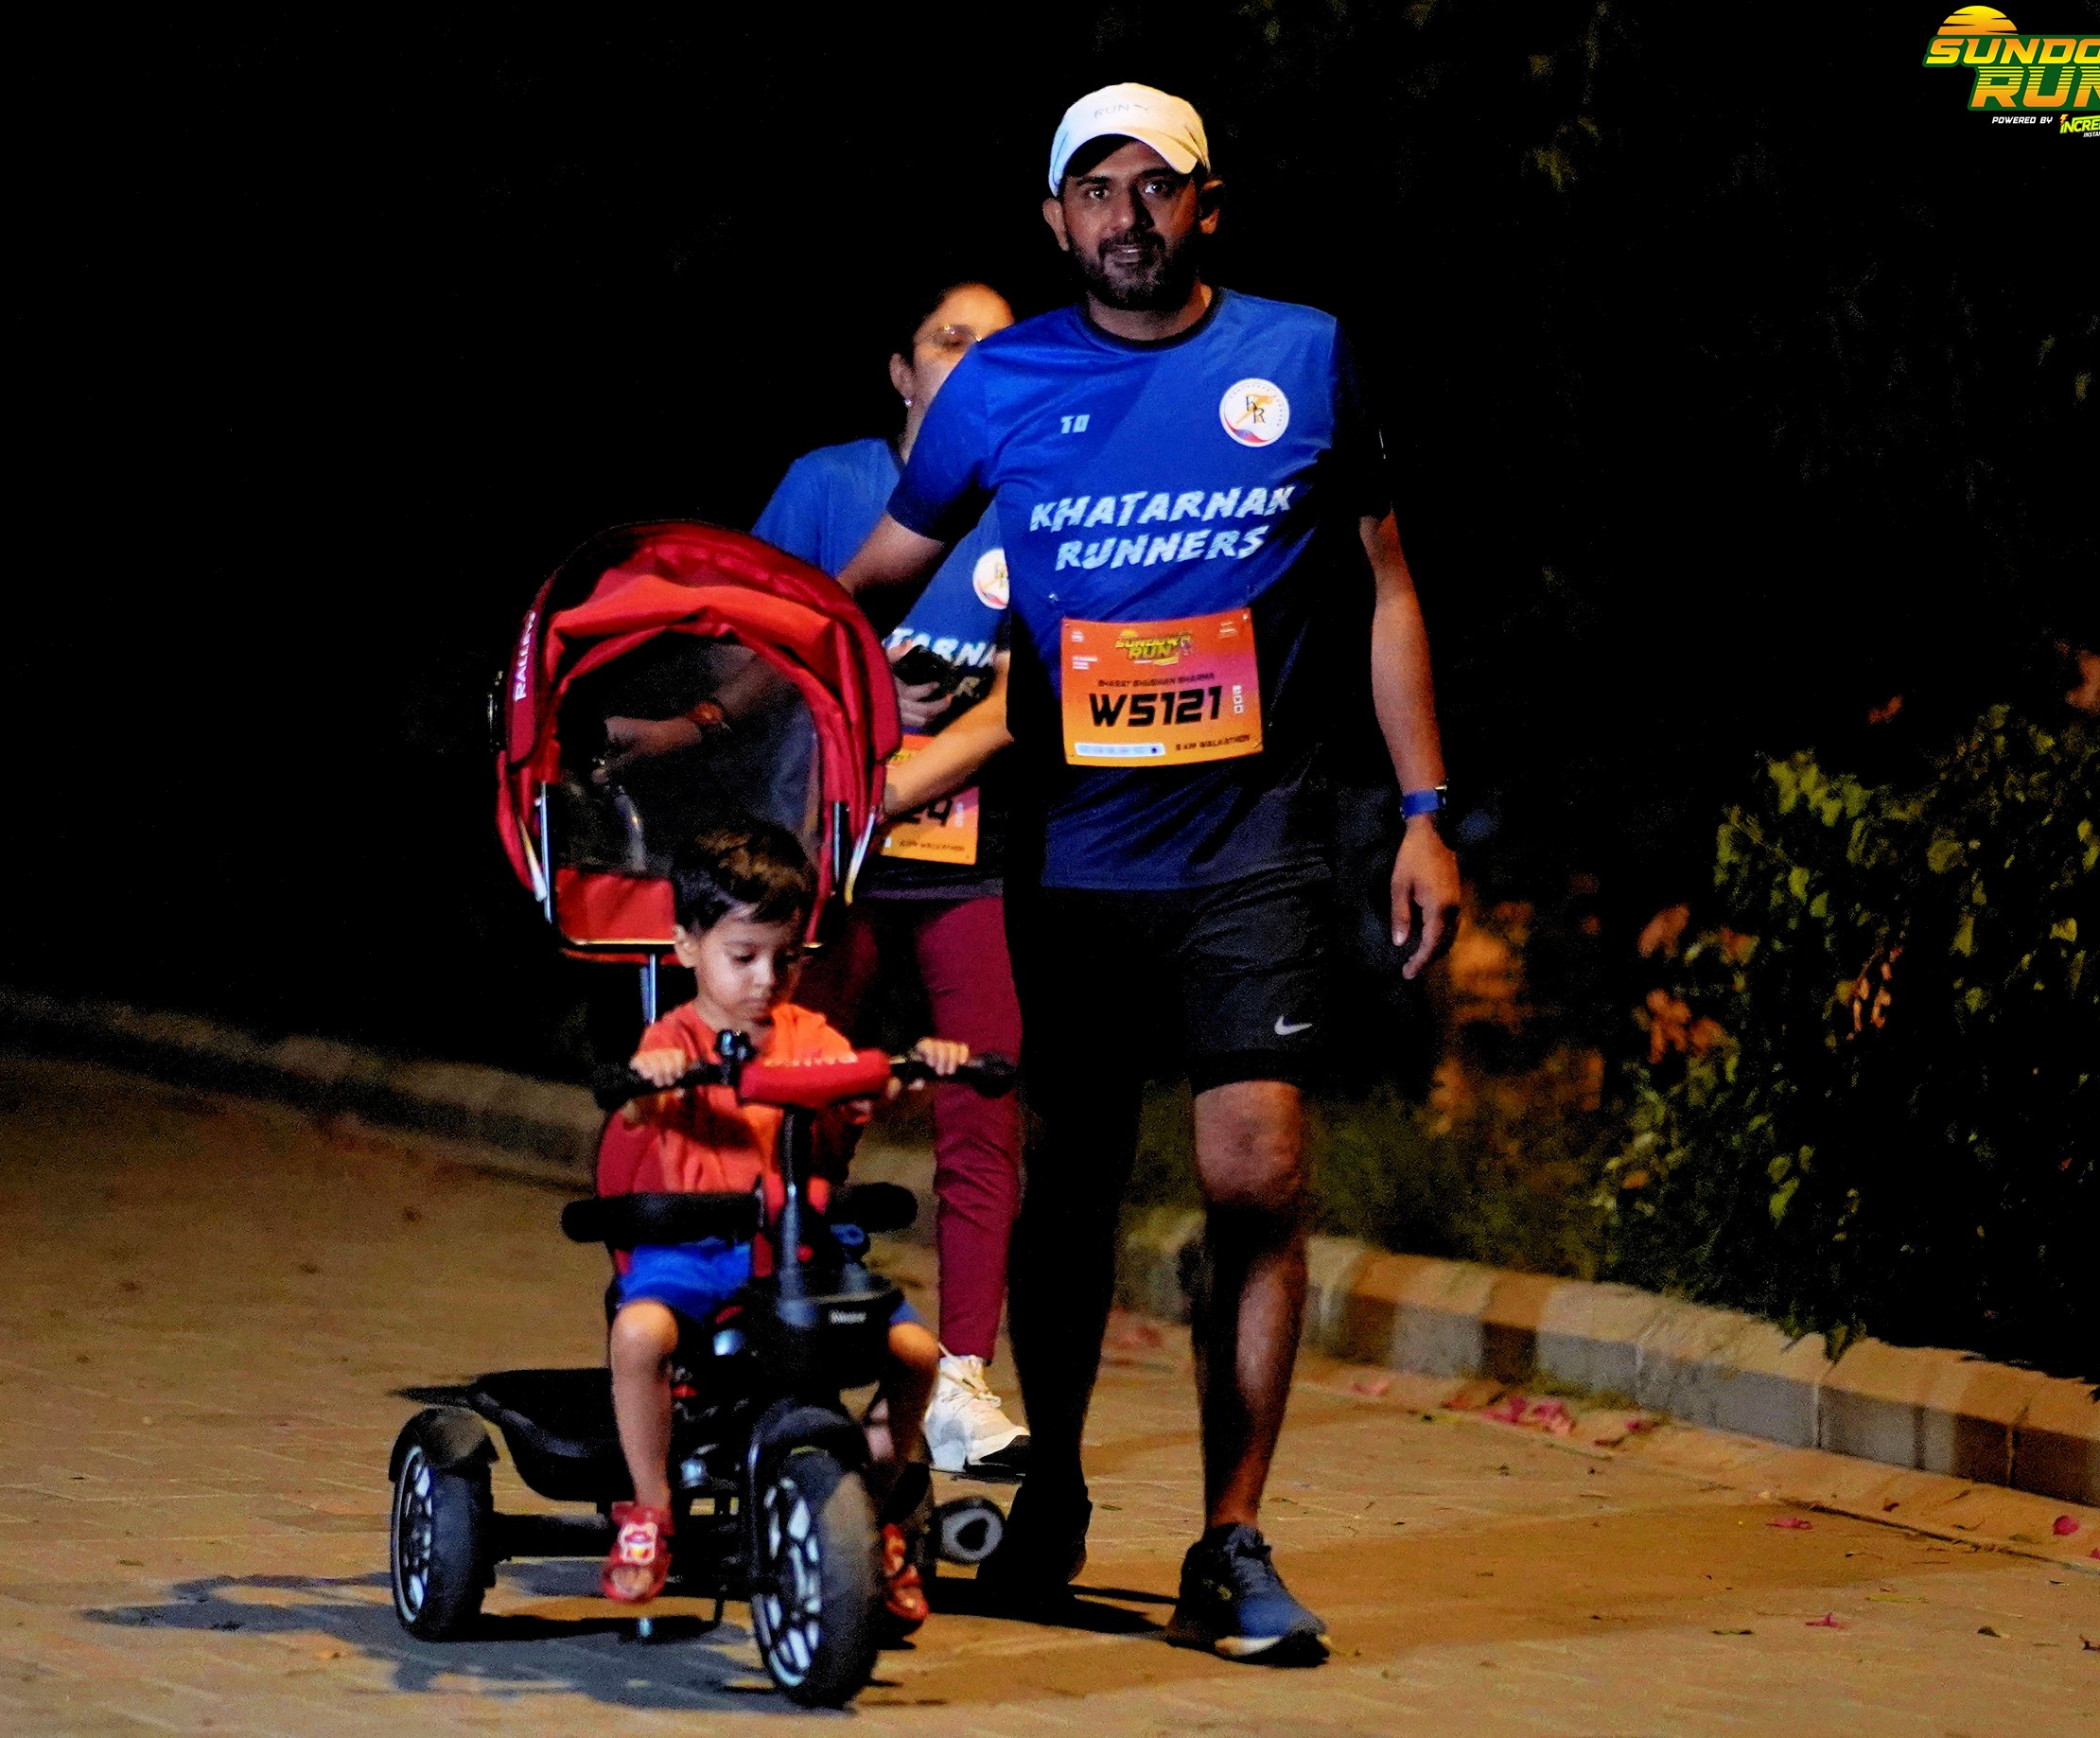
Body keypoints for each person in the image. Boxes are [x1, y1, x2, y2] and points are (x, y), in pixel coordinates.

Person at [835, 83, 1461, 1662]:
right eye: (1096, 190)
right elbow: (876, 578)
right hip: (1068, 860)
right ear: (1056, 220)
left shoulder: (1303, 355)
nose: (1128, 215)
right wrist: (755, 691)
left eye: (1156, 186)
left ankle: (1230, 1537)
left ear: (1206, 203)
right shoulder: (1001, 384)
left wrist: (1425, 809)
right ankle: (1049, 1493)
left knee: (1257, 1177)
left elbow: (1388, 585)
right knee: (1068, 1194)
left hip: (1252, 844)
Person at [750, 281, 1031, 1476]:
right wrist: (861, 722)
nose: (973, 360)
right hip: (831, 859)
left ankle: (960, 1379)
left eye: (998, 346)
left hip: (965, 860)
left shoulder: (1031, 502)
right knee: (803, 1094)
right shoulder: (828, 485)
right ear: (902, 373)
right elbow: (754, 653)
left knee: (983, 1103)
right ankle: (785, 1337)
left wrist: (907, 773)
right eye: (948, 340)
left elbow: (1022, 701)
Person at [594, 820, 962, 1629]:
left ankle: (873, 1507)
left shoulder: (812, 1037)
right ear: (687, 946)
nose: (766, 979)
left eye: (785, 958)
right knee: (640, 1333)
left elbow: (866, 1088)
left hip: (802, 1248)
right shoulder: (677, 1037)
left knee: (913, 1350)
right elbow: (642, 1106)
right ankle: (649, 1509)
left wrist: (917, 1071)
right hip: (697, 1248)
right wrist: (652, 1078)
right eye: (743, 956)